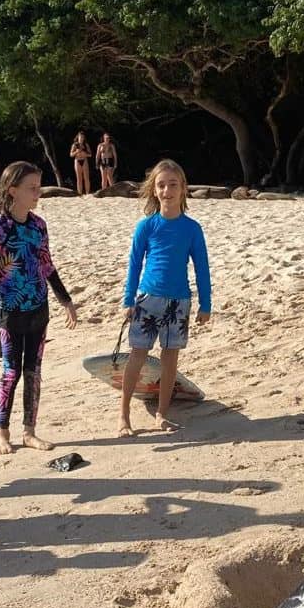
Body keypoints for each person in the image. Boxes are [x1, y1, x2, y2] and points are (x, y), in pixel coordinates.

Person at [0, 161, 78, 455]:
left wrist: (66, 301)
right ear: (13, 190)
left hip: (38, 309)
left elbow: (47, 266)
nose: (38, 193)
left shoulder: (38, 226)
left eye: (38, 187)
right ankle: (2, 433)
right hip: (11, 312)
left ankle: (29, 432)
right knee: (11, 372)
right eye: (32, 188)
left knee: (33, 372)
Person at [119, 159, 211, 437]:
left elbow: (202, 268)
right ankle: (124, 416)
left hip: (179, 302)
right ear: (154, 190)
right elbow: (134, 264)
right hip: (148, 299)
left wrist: (206, 304)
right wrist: (128, 300)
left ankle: (162, 414)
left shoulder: (192, 228)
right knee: (137, 356)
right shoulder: (147, 226)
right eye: (161, 185)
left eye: (173, 185)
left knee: (170, 360)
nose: (167, 190)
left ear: (183, 188)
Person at [70, 131, 93, 196]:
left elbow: (90, 154)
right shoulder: (75, 145)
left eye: (82, 137)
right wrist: (76, 152)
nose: (81, 138)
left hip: (84, 160)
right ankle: (80, 193)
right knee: (79, 178)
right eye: (80, 137)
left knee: (86, 178)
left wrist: (85, 153)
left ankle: (87, 193)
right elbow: (71, 155)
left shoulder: (86, 145)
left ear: (84, 138)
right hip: (77, 161)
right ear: (78, 137)